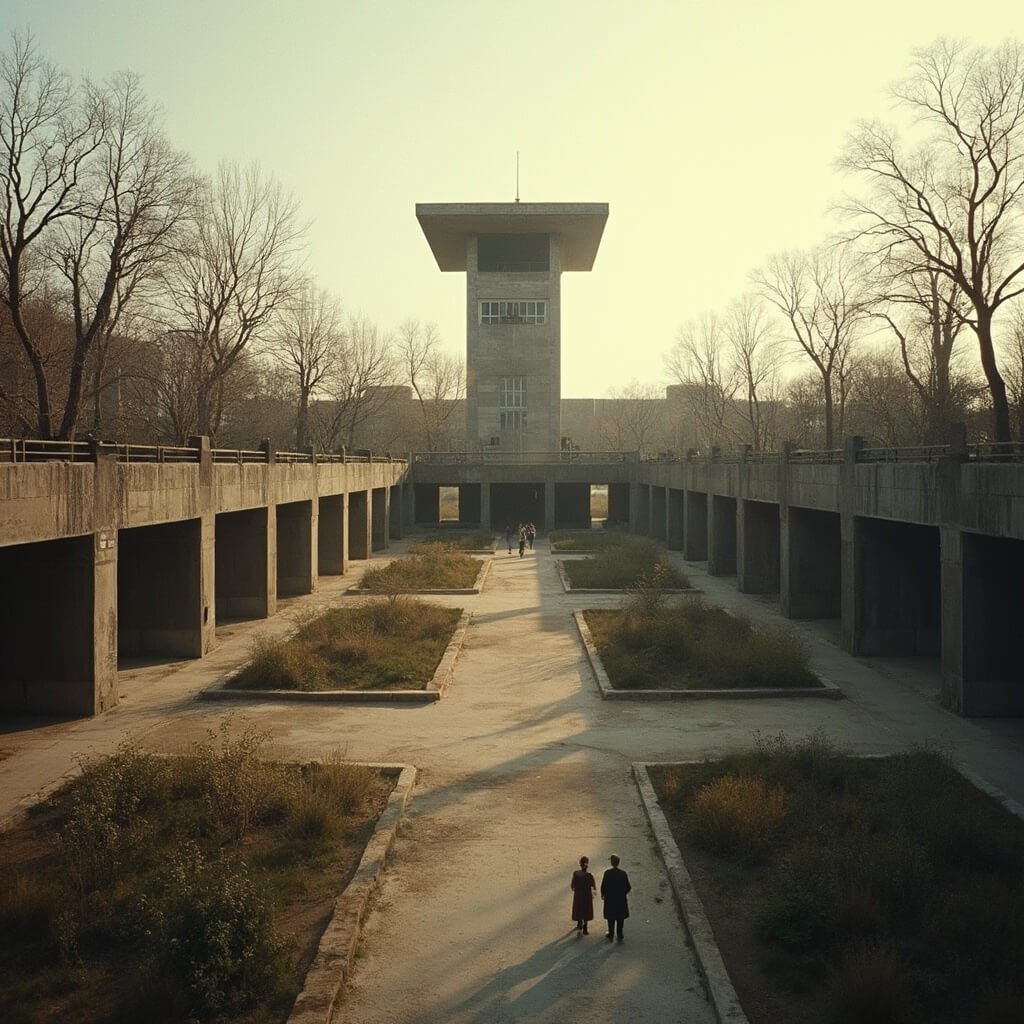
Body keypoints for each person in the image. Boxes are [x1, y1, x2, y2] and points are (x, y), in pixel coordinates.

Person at [600, 854, 631, 941]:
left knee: (611, 917)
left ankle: (611, 933)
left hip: (610, 899)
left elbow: (603, 886)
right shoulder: (623, 874)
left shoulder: (607, 873)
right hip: (620, 899)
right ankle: (620, 934)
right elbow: (628, 887)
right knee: (620, 917)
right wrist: (623, 893)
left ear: (611, 863)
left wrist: (604, 894)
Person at [570, 856, 596, 935]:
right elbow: (593, 886)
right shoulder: (589, 875)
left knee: (579, 908)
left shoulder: (576, 874)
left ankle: (579, 923)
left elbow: (572, 886)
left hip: (578, 895)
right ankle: (585, 926)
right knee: (586, 910)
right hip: (587, 896)